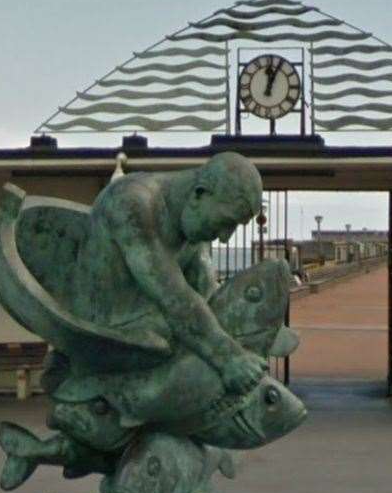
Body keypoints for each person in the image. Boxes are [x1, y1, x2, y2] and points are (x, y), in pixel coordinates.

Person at [69, 152, 267, 394]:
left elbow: (207, 297)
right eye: (227, 223)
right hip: (108, 339)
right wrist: (229, 358)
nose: (226, 237)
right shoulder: (131, 202)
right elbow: (172, 297)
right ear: (199, 193)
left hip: (155, 334)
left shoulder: (192, 226)